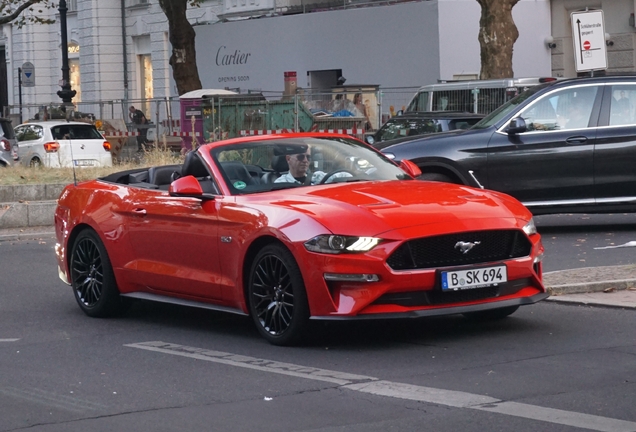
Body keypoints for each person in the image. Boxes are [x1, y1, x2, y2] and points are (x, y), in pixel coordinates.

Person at [274, 148, 351, 185]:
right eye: (300, 157)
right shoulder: (281, 183)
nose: (305, 160)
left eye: (308, 157)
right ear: (288, 159)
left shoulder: (318, 177)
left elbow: (344, 175)